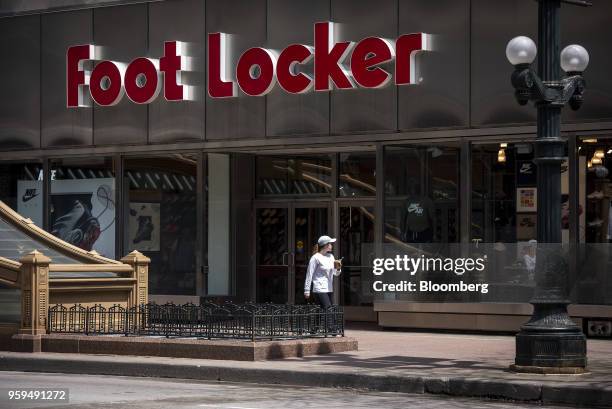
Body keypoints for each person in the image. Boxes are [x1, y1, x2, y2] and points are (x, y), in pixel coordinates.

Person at [304, 235, 342, 308]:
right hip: (319, 289)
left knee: (322, 313)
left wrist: (338, 268)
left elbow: (335, 273)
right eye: (330, 244)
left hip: (329, 288)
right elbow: (309, 274)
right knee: (328, 311)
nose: (331, 245)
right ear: (325, 245)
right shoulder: (315, 258)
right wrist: (307, 290)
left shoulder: (331, 256)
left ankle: (318, 319)